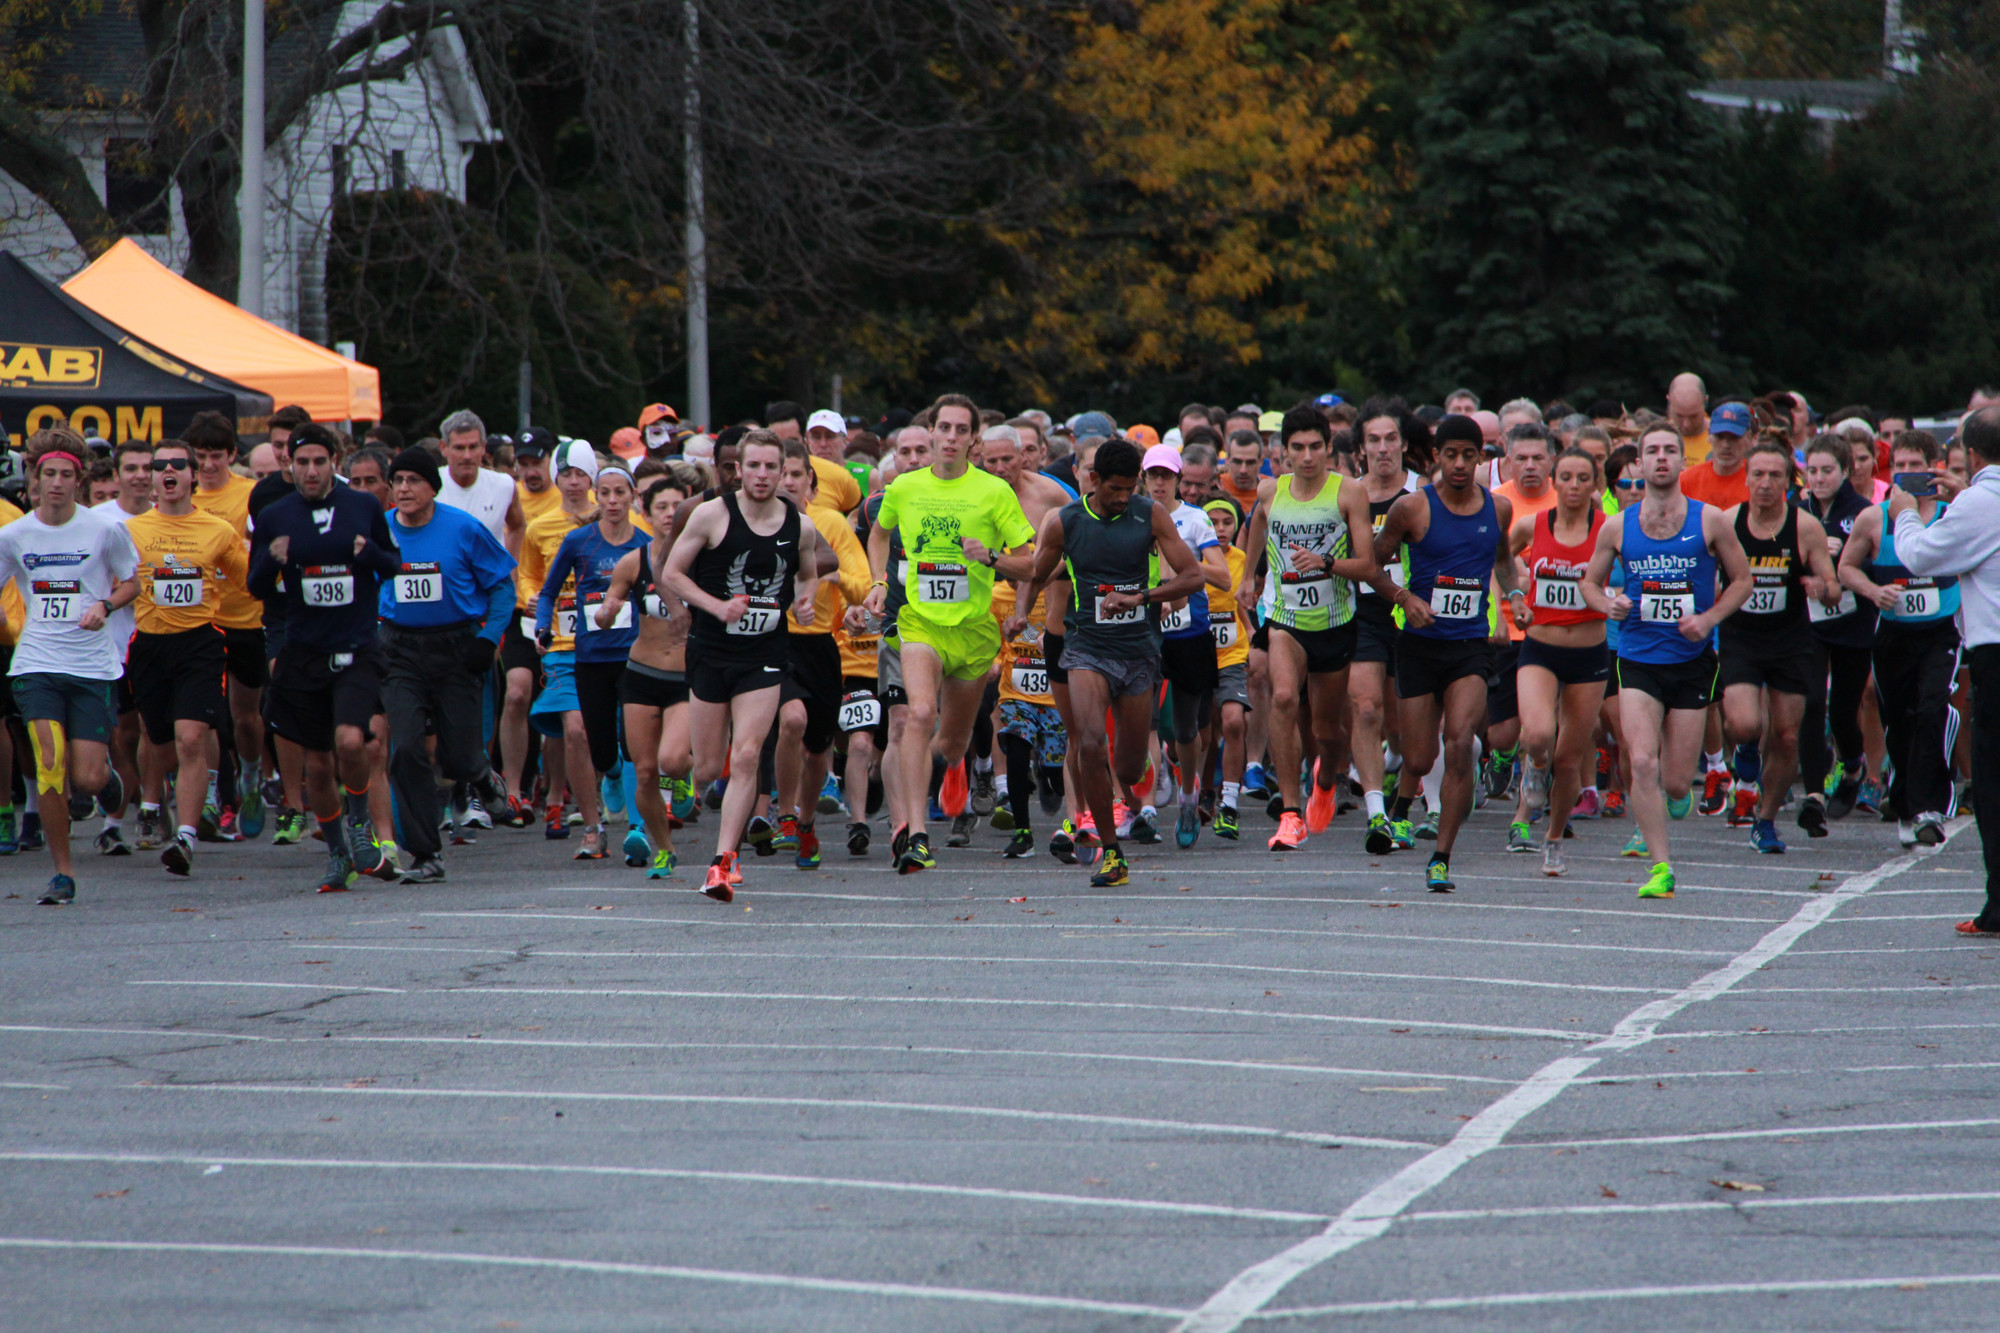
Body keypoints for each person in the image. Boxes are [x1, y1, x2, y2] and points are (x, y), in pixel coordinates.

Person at [1013, 439, 1205, 888]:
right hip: (1085, 647)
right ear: (1094, 480)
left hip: (1138, 650)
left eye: (1130, 487)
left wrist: (1142, 597)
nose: (1124, 496)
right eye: (1115, 488)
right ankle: (1110, 851)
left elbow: (1193, 576)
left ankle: (1128, 797)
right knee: (1090, 744)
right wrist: (1022, 612)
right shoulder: (1065, 521)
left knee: (1130, 767)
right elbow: (1035, 574)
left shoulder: (1149, 514)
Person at [863, 395, 1035, 874]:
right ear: (931, 433)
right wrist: (879, 582)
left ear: (973, 440)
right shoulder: (905, 487)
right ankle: (917, 836)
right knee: (918, 713)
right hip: (919, 622)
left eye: (963, 430)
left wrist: (992, 559)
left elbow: (1032, 562)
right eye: (945, 428)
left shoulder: (994, 493)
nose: (952, 437)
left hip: (975, 632)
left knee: (952, 744)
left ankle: (949, 772)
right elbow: (879, 534)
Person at [1581, 423, 1753, 900]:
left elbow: (1742, 580)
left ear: (1682, 462)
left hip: (1692, 659)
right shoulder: (1618, 526)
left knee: (1676, 783)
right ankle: (1661, 868)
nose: (1660, 459)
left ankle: (1679, 797)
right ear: (1638, 462)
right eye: (1651, 451)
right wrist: (1607, 604)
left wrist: (1709, 617)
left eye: (1669, 451)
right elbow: (1590, 585)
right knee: (1640, 761)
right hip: (1636, 656)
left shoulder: (1711, 520)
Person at [663, 428, 821, 900]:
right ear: (738, 468)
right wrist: (715, 607)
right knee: (710, 767)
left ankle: (722, 861)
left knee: (749, 753)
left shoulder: (800, 525)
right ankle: (698, 786)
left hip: (765, 653)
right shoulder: (711, 515)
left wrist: (805, 603)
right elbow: (671, 573)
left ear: (784, 470)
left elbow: (808, 571)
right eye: (754, 465)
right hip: (712, 650)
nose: (763, 475)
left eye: (773, 467)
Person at [247, 425, 401, 891]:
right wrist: (273, 560)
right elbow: (255, 587)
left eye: (319, 461)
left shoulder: (363, 506)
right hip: (304, 652)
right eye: (302, 462)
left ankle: (359, 821)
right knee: (317, 762)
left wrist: (369, 552)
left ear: (335, 460)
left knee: (352, 742)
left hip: (356, 647)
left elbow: (392, 565)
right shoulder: (276, 515)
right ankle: (337, 853)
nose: (311, 471)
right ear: (289, 466)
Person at [1376, 415, 1524, 892]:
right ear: (1436, 457)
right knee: (1418, 757)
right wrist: (1404, 598)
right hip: (1419, 646)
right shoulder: (1411, 509)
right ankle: (1401, 805)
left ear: (1482, 458)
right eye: (1451, 454)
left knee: (1460, 744)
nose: (1460, 464)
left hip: (1469, 648)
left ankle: (1441, 857)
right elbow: (1371, 565)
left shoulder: (1497, 510)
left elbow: (1501, 560)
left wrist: (1514, 595)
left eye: (1469, 455)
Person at [1235, 406, 1390, 850]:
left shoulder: (1349, 493)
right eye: (1297, 448)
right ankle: (1289, 813)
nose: (1306, 457)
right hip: (1286, 621)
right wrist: (1249, 576)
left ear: (1329, 449)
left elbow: (1367, 565)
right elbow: (1258, 527)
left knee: (1327, 731)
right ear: (1282, 452)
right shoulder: (1270, 491)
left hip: (1336, 623)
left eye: (1315, 447)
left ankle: (1325, 780)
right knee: (1282, 697)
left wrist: (1325, 562)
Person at [1872, 407, 2000, 935]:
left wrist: (1906, 509)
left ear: (1970, 454)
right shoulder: (1975, 499)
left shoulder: (1979, 501)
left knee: (1992, 782)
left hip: (1994, 650)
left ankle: (1998, 905)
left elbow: (1922, 556)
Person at [0, 434, 139, 904]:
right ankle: (63, 872)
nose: (56, 484)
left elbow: (132, 583)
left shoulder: (102, 531)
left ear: (79, 482)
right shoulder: (14, 535)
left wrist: (104, 603)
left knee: (88, 777)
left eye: (66, 476)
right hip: (37, 660)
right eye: (48, 475)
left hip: (91, 666)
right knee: (50, 762)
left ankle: (106, 781)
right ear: (34, 481)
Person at [375, 447, 518, 883]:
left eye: (413, 480)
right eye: (397, 481)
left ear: (432, 488)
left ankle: (479, 773)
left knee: (456, 757)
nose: (404, 489)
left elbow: (503, 589)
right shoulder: (378, 532)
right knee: (406, 750)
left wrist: (487, 638)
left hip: (457, 647)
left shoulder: (463, 529)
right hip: (399, 650)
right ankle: (424, 853)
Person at [124, 438, 249, 878]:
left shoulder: (217, 530)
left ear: (193, 475)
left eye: (179, 464)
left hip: (200, 642)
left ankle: (188, 835)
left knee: (192, 738)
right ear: (152, 478)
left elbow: (251, 580)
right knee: (160, 741)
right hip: (149, 646)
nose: (169, 471)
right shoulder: (131, 530)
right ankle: (168, 800)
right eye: (161, 466)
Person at [1711, 440, 1843, 852]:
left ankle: (1764, 820)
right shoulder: (1728, 522)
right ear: (1746, 477)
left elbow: (1835, 590)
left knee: (1787, 737)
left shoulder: (1804, 527)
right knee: (1745, 723)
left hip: (1791, 641)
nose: (1766, 484)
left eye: (1775, 476)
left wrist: (1821, 587)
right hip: (1741, 638)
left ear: (1789, 482)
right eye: (1758, 475)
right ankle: (1746, 752)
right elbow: (1710, 580)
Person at [1839, 430, 1964, 848]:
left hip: (1941, 633)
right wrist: (1874, 592)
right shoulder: (1874, 519)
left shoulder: (1955, 512)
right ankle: (1906, 802)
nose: (1906, 474)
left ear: (1935, 467)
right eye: (1900, 466)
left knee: (1932, 710)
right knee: (1901, 723)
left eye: (1916, 466)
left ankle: (1931, 807)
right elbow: (1846, 569)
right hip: (1893, 635)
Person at [536, 460, 649, 861]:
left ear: (634, 497)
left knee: (635, 743)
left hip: (635, 657)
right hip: (590, 656)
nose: (614, 500)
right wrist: (542, 627)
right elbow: (549, 591)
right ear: (596, 497)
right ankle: (612, 775)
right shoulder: (579, 541)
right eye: (606, 493)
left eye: (621, 493)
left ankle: (638, 829)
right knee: (601, 748)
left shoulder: (645, 543)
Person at [1507, 446, 1609, 874]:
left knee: (1570, 758)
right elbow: (1501, 556)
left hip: (1589, 654)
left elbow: (1631, 571)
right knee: (1537, 734)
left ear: (1593, 484)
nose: (1572, 486)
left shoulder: (1609, 529)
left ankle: (1553, 838)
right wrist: (1513, 596)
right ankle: (1534, 765)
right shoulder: (1534, 524)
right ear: (1554, 480)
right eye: (1564, 477)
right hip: (1541, 647)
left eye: (1581, 478)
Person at [771, 441, 870, 869]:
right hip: (773, 642)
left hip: (821, 646)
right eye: (781, 473)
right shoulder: (752, 524)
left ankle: (806, 822)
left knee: (817, 750)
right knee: (791, 721)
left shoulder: (828, 523)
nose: (788, 482)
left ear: (810, 481)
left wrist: (829, 579)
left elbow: (863, 586)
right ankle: (785, 815)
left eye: (796, 474)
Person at [596, 479, 693, 879]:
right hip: (641, 674)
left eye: (677, 506)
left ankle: (686, 778)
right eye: (662, 507)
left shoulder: (703, 560)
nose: (670, 514)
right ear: (647, 514)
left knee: (672, 762)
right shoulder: (634, 562)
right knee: (646, 770)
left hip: (688, 678)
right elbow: (608, 605)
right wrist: (607, 611)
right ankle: (665, 849)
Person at [1139, 444, 1230, 846]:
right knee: (1143, 722)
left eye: (1166, 476)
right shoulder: (1131, 517)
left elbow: (1224, 578)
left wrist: (1184, 569)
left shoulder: (1194, 520)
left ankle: (1189, 794)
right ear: (1143, 479)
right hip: (1144, 633)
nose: (1159, 483)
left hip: (1190, 633)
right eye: (1152, 476)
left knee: (1186, 730)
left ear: (1178, 480)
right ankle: (1143, 806)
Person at [1347, 401, 1426, 852]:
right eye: (1373, 440)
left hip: (1414, 612)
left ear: (1404, 444)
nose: (1382, 448)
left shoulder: (1421, 493)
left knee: (1404, 727)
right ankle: (1377, 814)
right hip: (1365, 613)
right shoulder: (1349, 494)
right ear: (1361, 448)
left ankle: (1406, 801)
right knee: (1366, 709)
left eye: (1390, 439)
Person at [184, 410, 263, 842]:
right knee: (207, 716)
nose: (209, 465)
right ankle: (214, 795)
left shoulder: (251, 495)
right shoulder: (180, 497)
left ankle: (251, 777)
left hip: (245, 617)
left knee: (245, 717)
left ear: (232, 455)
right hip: (200, 621)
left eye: (217, 456)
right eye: (201, 457)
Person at [519, 442, 602, 835]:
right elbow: (528, 575)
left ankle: (606, 790)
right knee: (571, 727)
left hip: (607, 640)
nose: (573, 482)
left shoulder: (615, 519)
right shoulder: (540, 527)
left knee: (605, 731)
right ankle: (561, 801)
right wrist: (531, 600)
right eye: (566, 474)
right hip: (562, 642)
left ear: (592, 479)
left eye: (580, 475)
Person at [1798, 433, 1877, 824]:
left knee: (1844, 710)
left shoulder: (1863, 512)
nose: (1818, 478)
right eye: (1811, 471)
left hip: (1852, 621)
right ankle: (1813, 793)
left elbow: (1875, 563)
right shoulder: (1796, 510)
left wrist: (1841, 573)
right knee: (1811, 702)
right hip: (1808, 624)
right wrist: (1806, 580)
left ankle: (1853, 767)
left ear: (1846, 471)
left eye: (1827, 470)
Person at [1198, 497, 1253, 839]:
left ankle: (1229, 804)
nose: (1220, 529)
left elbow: (1242, 605)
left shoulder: (1242, 561)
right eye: (1212, 522)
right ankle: (1203, 790)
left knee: (1233, 723)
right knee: (1204, 734)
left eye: (1226, 522)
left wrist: (1254, 636)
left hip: (1232, 655)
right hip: (1194, 655)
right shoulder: (1188, 557)